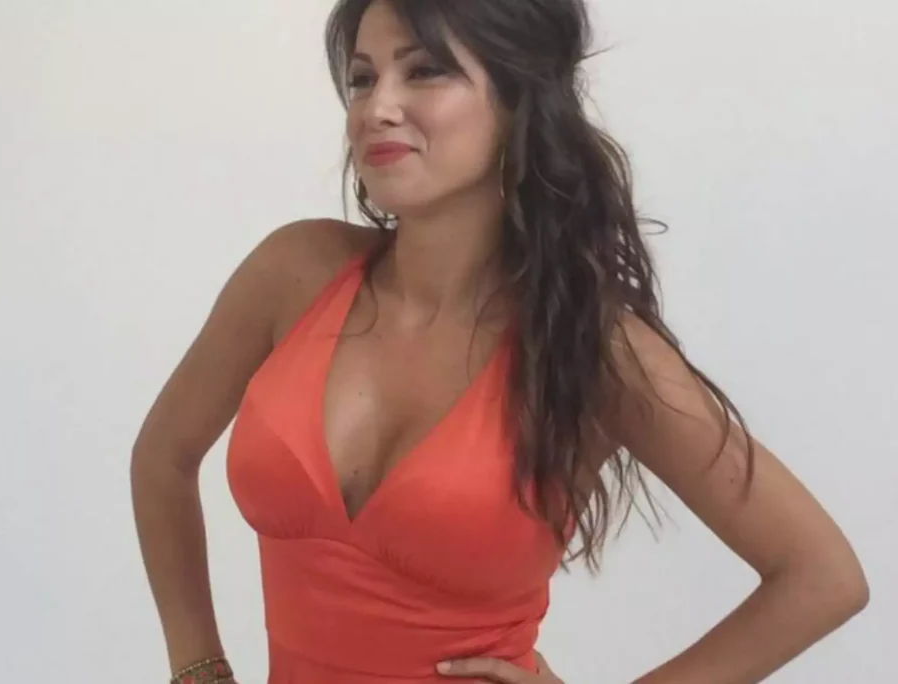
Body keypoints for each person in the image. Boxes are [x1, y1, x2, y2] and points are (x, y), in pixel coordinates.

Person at [130, 1, 869, 682]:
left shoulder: (593, 347)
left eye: (426, 70)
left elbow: (822, 576)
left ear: (519, 98)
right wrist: (198, 666)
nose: (377, 107)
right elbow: (162, 457)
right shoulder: (294, 272)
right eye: (362, 78)